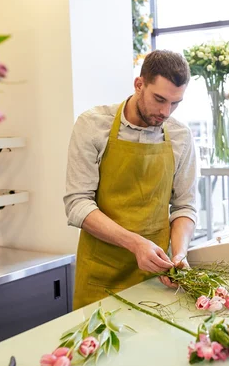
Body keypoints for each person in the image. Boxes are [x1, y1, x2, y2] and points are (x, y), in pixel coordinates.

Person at [64, 50, 197, 310]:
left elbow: (184, 206)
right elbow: (77, 203)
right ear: (139, 85)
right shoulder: (92, 126)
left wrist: (179, 253)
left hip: (156, 275)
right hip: (101, 276)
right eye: (159, 99)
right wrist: (135, 244)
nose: (165, 111)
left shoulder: (181, 136)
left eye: (175, 102)